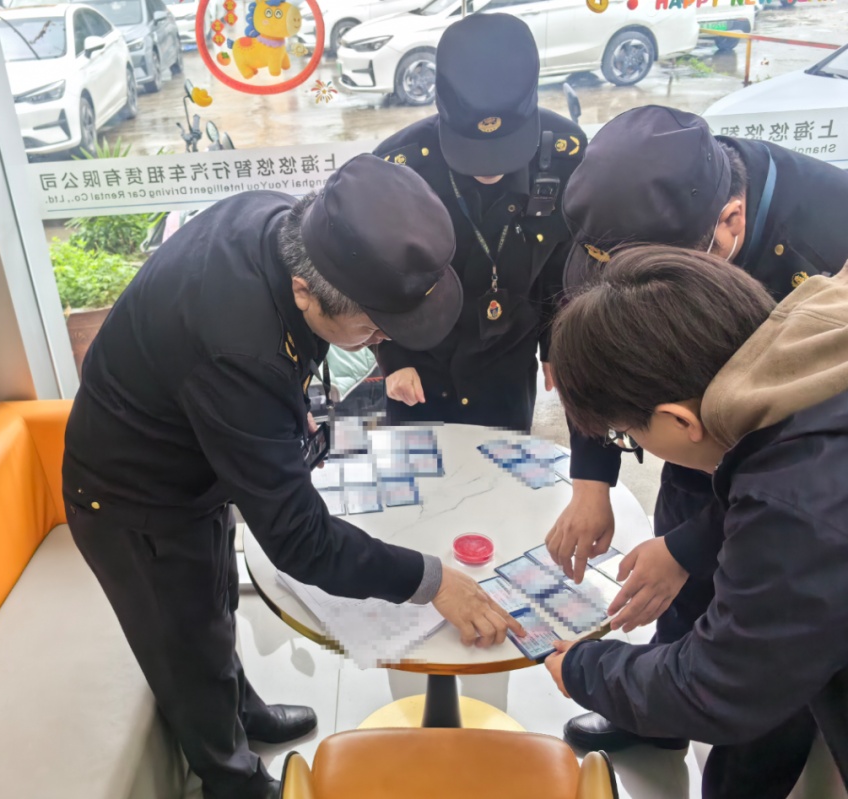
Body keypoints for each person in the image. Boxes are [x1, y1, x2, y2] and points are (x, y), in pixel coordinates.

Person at [62, 154, 523, 799]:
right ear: (305, 292)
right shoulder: (238, 348)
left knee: (215, 603)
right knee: (185, 641)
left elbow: (266, 370)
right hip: (133, 496)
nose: (378, 340)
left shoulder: (290, 227)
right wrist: (432, 581)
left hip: (194, 455)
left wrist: (280, 410)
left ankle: (242, 712)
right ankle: (233, 781)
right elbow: (300, 541)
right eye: (371, 327)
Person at [545, 106, 848, 762]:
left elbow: (737, 678)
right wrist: (593, 481)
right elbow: (611, 365)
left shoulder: (829, 235)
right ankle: (654, 714)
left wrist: (586, 669)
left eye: (628, 432)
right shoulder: (646, 201)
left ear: (729, 224)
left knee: (769, 683)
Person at [373, 12, 585, 432]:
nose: (490, 169)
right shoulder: (402, 166)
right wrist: (394, 358)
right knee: (422, 472)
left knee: (504, 469)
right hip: (421, 367)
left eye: (506, 150)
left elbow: (561, 261)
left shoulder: (564, 156)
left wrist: (556, 343)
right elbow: (380, 272)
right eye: (472, 152)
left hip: (508, 363)